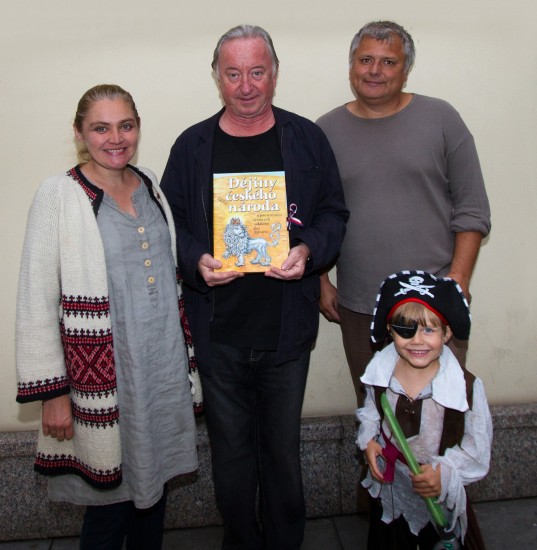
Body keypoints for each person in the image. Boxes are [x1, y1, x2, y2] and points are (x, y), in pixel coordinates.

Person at [160, 24, 348, 550]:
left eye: (257, 72)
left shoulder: (306, 138)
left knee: (282, 453)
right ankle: (240, 541)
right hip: (218, 329)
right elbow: (171, 223)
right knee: (231, 454)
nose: (246, 86)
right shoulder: (192, 146)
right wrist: (196, 259)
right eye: (233, 73)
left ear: (275, 74)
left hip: (285, 331)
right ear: (217, 77)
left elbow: (334, 213)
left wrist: (307, 251)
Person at [15, 84, 199, 550]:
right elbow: (36, 300)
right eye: (101, 128)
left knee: (153, 494)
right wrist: (54, 395)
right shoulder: (60, 195)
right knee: (109, 507)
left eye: (126, 126)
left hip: (159, 375)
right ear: (79, 132)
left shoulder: (150, 184)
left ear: (138, 128)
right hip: (103, 381)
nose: (115, 138)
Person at [316, 21, 491, 406]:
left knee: (440, 415)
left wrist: (459, 280)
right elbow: (312, 215)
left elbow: (472, 208)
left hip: (434, 301)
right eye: (366, 60)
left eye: (388, 62)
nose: (375, 71)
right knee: (376, 413)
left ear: (405, 69)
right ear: (351, 65)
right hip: (360, 305)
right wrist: (321, 281)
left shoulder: (442, 118)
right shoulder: (324, 132)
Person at [357, 271, 492, 549]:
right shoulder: (380, 374)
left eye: (429, 330)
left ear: (447, 333)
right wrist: (369, 441)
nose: (418, 341)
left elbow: (477, 450)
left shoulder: (465, 388)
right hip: (393, 490)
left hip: (438, 499)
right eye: (405, 330)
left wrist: (444, 473)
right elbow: (372, 409)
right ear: (390, 330)